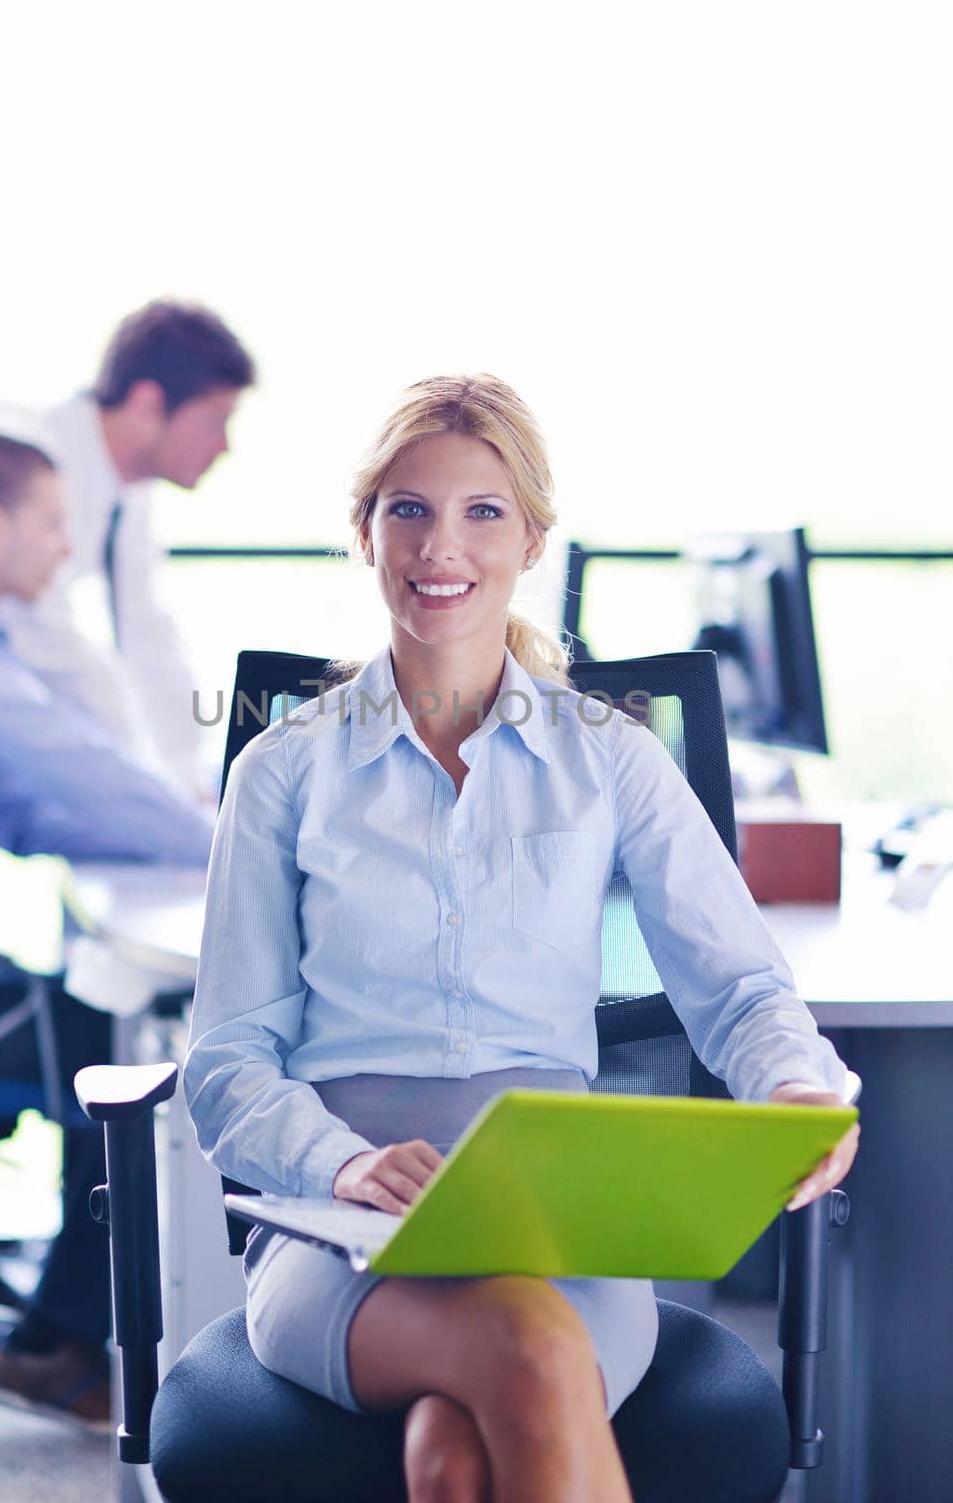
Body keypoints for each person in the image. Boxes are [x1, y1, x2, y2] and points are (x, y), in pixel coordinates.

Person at [184, 375, 860, 1501]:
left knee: (450, 1459)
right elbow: (227, 1060)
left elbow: (737, 987)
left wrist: (794, 1086)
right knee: (534, 1351)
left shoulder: (613, 759)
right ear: (364, 533)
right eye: (408, 509)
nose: (440, 545)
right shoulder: (285, 771)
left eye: (482, 511)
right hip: (340, 1223)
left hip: (558, 1215)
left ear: (533, 538)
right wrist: (341, 1162)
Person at [0, 432, 214, 1428]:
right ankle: (60, 1345)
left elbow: (24, 812)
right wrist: (221, 831)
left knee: (65, 1007)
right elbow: (57, 748)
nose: (66, 550)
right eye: (52, 525)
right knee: (104, 1048)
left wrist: (157, 829)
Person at [0, 298, 255, 799]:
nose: (225, 446)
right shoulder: (28, 463)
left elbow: (149, 643)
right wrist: (157, 795)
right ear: (147, 405)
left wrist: (190, 783)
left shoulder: (127, 495)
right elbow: (55, 652)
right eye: (216, 419)